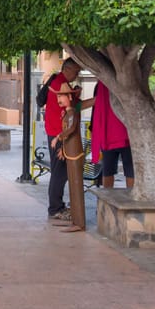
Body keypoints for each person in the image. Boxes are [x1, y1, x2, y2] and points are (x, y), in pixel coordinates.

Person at [44, 58, 86, 220]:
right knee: (60, 172)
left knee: (59, 172)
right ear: (67, 69)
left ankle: (57, 206)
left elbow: (72, 106)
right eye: (76, 71)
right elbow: (71, 109)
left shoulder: (59, 82)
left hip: (56, 132)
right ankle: (55, 208)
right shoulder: (61, 84)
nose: (77, 74)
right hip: (58, 132)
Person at [49, 82, 86, 232]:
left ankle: (80, 223)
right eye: (57, 95)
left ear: (69, 97)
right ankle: (75, 220)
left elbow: (70, 129)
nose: (58, 99)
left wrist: (57, 137)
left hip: (75, 154)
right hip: (70, 153)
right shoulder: (67, 112)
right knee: (72, 188)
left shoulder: (72, 113)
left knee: (76, 188)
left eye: (61, 96)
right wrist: (63, 149)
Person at [90, 81, 134, 189]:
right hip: (124, 133)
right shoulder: (126, 83)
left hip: (109, 134)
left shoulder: (102, 85)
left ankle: (108, 200)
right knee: (129, 170)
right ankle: (130, 200)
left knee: (109, 170)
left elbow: (95, 108)